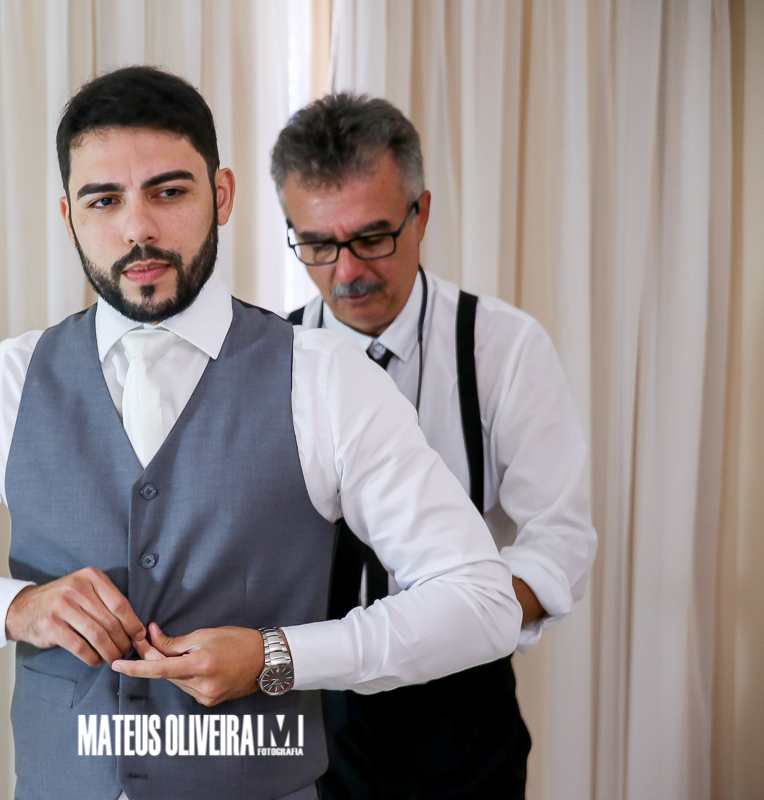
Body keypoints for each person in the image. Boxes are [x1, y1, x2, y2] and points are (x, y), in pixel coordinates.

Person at [0, 67, 521, 800]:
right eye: (104, 200)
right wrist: (17, 609)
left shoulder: (327, 379)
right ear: (69, 217)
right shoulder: (7, 382)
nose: (138, 228)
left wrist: (279, 656)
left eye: (169, 192)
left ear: (222, 195)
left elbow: (481, 601)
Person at [271, 93, 598, 799]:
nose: (347, 272)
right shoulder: (266, 360)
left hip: (462, 710)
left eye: (372, 237)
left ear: (420, 214)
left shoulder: (503, 346)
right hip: (305, 700)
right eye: (318, 244)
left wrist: (455, 621)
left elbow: (560, 540)